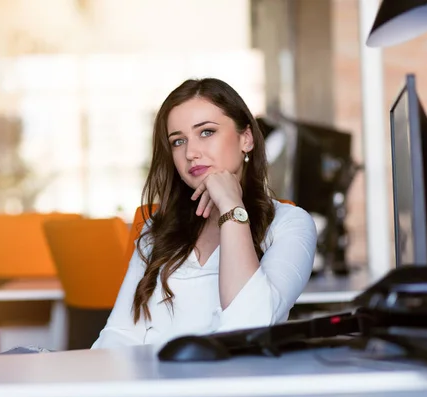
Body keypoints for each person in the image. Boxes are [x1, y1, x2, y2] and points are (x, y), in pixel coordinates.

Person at [91, 78, 317, 349]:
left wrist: (233, 210)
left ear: (246, 138)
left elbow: (249, 327)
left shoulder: (290, 224)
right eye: (178, 141)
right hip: (153, 388)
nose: (190, 152)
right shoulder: (157, 228)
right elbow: (119, 335)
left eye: (207, 132)